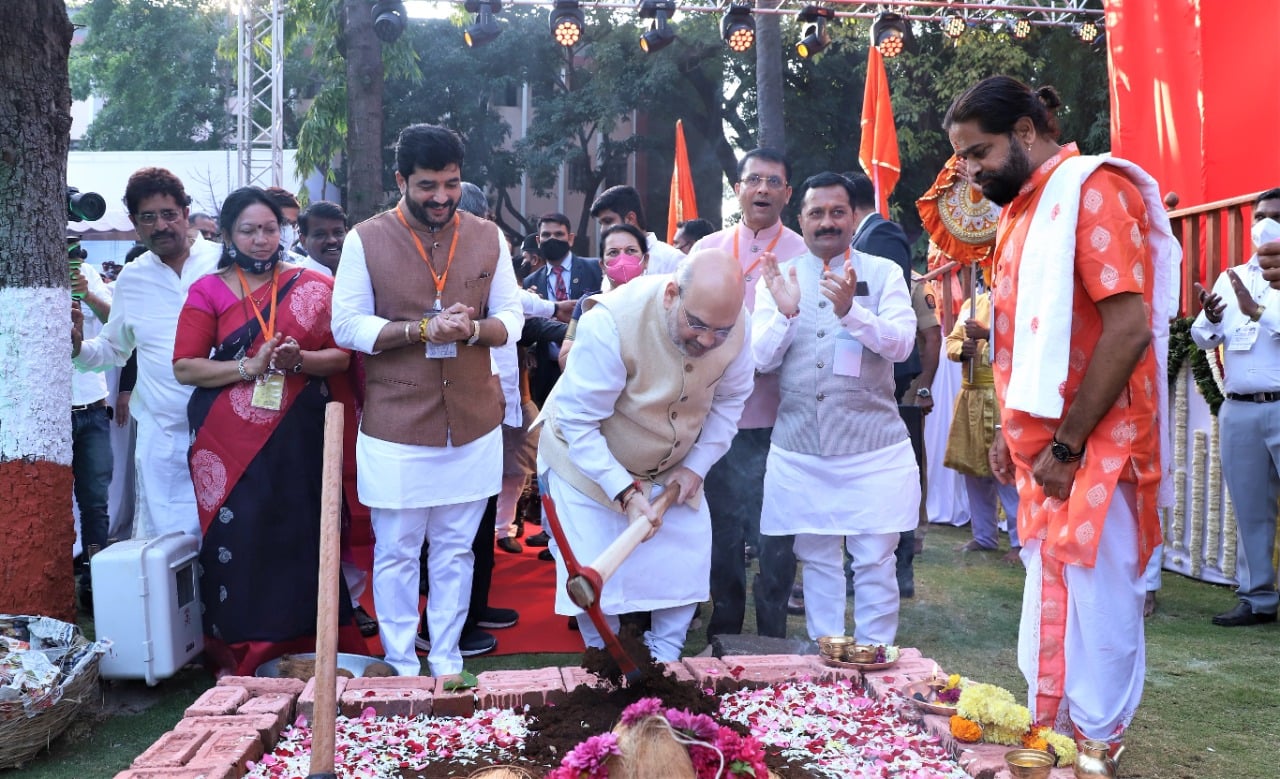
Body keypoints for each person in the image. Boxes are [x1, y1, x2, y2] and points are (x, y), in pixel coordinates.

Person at [945, 75, 1179, 745]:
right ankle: (1059, 741)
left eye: (978, 152)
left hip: (1097, 444)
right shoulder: (1025, 206)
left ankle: (1097, 747)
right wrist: (1018, 439)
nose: (968, 171)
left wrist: (1068, 445)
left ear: (1025, 132)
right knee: (1053, 601)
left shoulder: (1091, 191)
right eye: (962, 157)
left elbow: (1126, 328)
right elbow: (1035, 336)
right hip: (1050, 450)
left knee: (1100, 610)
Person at [331, 123, 522, 681]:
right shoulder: (365, 239)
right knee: (395, 549)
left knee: (457, 550)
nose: (441, 197)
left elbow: (511, 315)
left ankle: (445, 658)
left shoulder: (489, 236)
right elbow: (346, 325)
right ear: (401, 180)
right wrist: (420, 330)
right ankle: (398, 663)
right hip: (397, 427)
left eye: (451, 184)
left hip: (473, 422)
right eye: (427, 186)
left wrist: (472, 329)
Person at [172, 186, 365, 676]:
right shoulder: (208, 290)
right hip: (227, 441)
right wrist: (247, 366)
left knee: (302, 535)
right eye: (249, 230)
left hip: (299, 434)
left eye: (270, 228)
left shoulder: (313, 283)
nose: (261, 239)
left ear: (283, 231)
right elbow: (186, 368)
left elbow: (341, 357)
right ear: (228, 234)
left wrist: (299, 359)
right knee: (245, 540)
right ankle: (243, 654)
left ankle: (316, 645)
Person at [537, 250, 753, 661]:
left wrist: (696, 466)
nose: (708, 341)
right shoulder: (612, 321)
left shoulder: (738, 326)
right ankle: (605, 660)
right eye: (699, 325)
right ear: (672, 294)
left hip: (671, 465)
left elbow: (731, 402)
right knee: (598, 572)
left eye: (720, 332)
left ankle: (665, 657)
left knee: (682, 563)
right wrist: (626, 493)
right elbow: (579, 424)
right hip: (584, 466)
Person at [754, 171, 918, 646]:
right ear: (799, 220)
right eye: (817, 213)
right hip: (802, 447)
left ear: (853, 217)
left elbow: (902, 344)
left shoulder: (883, 272)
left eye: (837, 212)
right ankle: (824, 664)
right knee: (818, 559)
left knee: (874, 560)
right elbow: (759, 361)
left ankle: (875, 658)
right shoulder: (779, 277)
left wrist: (852, 313)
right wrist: (786, 313)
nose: (827, 222)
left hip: (873, 447)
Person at [690, 148, 807, 640]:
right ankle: (725, 627)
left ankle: (775, 633)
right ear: (737, 188)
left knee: (775, 536)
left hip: (782, 420)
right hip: (720, 421)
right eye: (753, 179)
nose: (762, 189)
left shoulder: (803, 254)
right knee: (722, 533)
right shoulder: (707, 252)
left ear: (787, 192)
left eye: (773, 181)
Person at [73, 167, 221, 540]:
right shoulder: (133, 279)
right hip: (163, 441)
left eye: (169, 214)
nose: (160, 226)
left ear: (186, 213)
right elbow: (112, 350)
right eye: (148, 217)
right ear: (135, 224)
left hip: (227, 432)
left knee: (228, 545)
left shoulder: (223, 265)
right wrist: (76, 349)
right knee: (167, 556)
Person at [1192, 188, 1280, 627]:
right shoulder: (1232, 275)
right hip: (1239, 407)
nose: (1265, 222)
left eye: (1275, 216)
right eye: (1260, 215)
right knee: (1249, 507)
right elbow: (1201, 337)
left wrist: (1257, 310)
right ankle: (1258, 599)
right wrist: (1209, 316)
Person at [943, 265, 1021, 562]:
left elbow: (1022, 343)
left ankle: (1019, 542)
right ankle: (984, 536)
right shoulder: (971, 305)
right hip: (970, 395)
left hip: (1000, 395)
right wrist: (963, 348)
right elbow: (951, 341)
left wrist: (988, 333)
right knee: (972, 471)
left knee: (1004, 471)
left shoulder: (1017, 303)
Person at [522, 213, 602, 407]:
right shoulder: (531, 282)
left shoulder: (594, 269)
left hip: (589, 366)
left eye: (559, 234)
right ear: (538, 241)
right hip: (546, 372)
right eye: (547, 235)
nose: (553, 239)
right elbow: (528, 330)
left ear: (571, 238)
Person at [70, 251, 114, 608]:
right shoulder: (16, 270)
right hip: (46, 413)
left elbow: (117, 323)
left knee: (95, 503)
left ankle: (93, 584)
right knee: (50, 501)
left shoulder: (84, 273)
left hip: (92, 406)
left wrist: (87, 293)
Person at [557, 222, 651, 370]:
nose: (622, 259)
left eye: (631, 251)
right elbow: (565, 359)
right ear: (602, 265)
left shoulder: (661, 302)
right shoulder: (589, 304)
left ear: (645, 260)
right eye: (613, 252)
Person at [589, 185, 684, 275]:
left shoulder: (672, 260)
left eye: (608, 221)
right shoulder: (607, 260)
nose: (602, 230)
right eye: (601, 224)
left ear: (630, 219)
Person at [296, 200, 349, 276]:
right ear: (303, 241)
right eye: (320, 234)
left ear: (347, 233)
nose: (332, 240)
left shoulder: (362, 275)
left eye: (338, 232)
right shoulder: (293, 282)